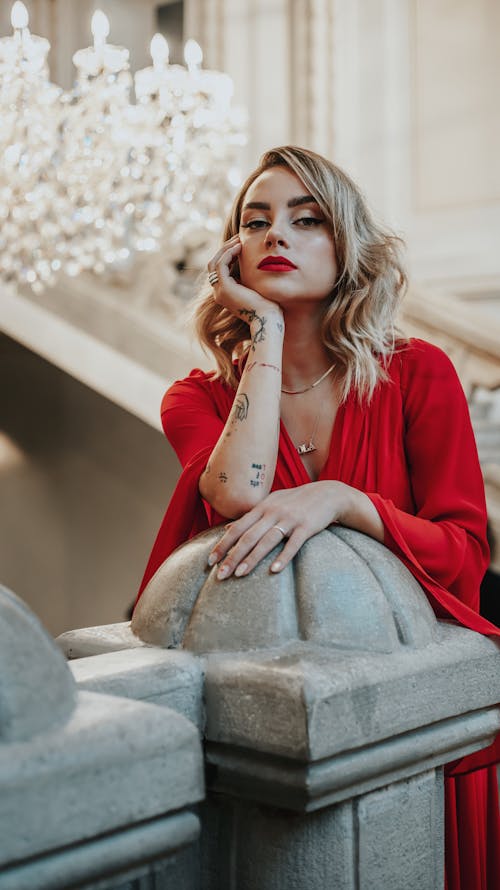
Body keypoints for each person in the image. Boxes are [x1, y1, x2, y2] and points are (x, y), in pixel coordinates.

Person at [136, 146, 500, 888]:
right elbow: (237, 492)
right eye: (256, 221)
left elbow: (464, 554)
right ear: (231, 253)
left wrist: (343, 499)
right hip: (259, 721)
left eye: (308, 220)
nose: (277, 236)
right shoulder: (197, 398)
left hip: (406, 712)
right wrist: (263, 329)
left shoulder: (417, 372)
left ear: (347, 246)